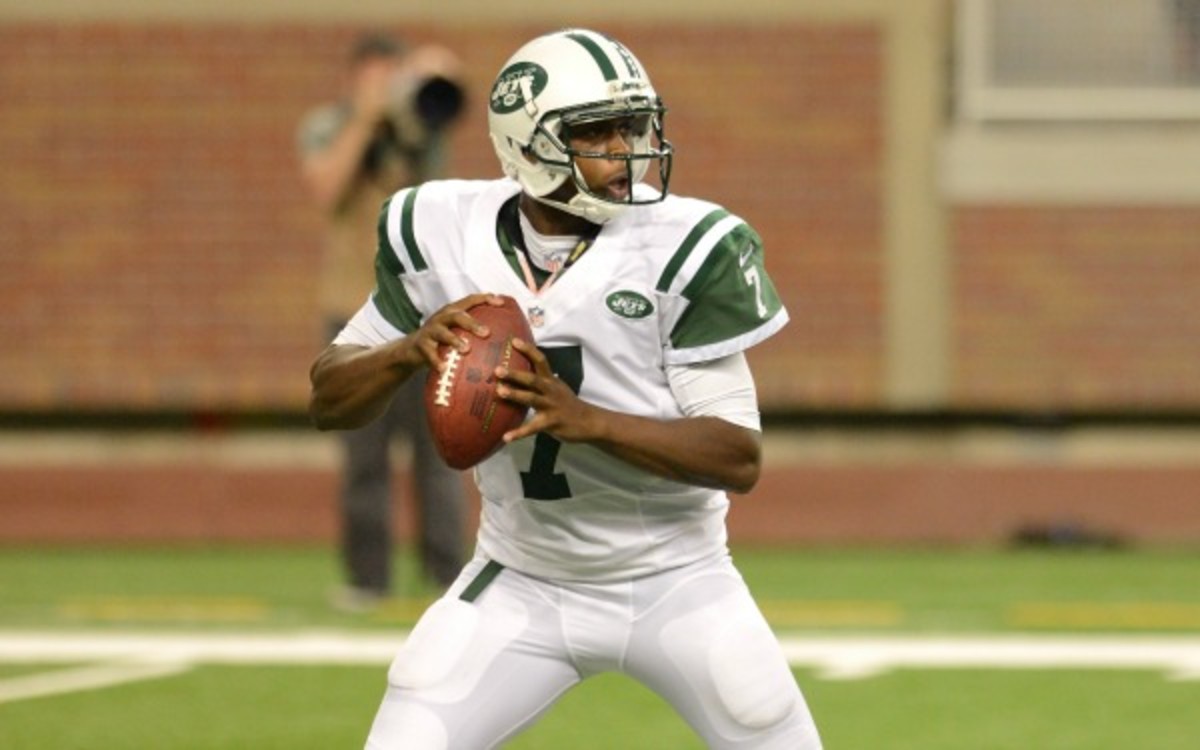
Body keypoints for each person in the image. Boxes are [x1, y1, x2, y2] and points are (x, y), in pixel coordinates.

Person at [309, 28, 823, 749]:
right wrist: (406, 350)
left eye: (631, 126)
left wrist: (588, 420)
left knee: (772, 732)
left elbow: (738, 457)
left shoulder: (686, 244)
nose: (626, 150)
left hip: (676, 579)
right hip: (521, 577)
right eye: (597, 131)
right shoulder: (438, 228)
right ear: (528, 144)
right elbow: (329, 398)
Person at [297, 32, 468, 608]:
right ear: (353, 79)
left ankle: (449, 576)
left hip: (423, 314)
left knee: (442, 452)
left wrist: (427, 89)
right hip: (351, 314)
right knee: (362, 458)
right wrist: (366, 121)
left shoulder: (422, 124)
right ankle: (367, 579)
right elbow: (326, 189)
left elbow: (427, 197)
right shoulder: (328, 125)